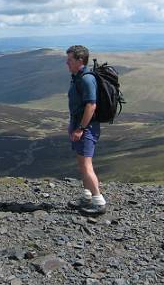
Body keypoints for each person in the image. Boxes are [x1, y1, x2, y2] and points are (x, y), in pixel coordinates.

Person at [65, 45, 106, 215]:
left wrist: (81, 128)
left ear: (80, 60)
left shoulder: (86, 79)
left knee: (87, 165)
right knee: (82, 164)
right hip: (79, 126)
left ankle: (99, 202)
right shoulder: (77, 77)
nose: (67, 63)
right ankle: (87, 197)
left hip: (86, 128)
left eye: (70, 60)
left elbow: (91, 105)